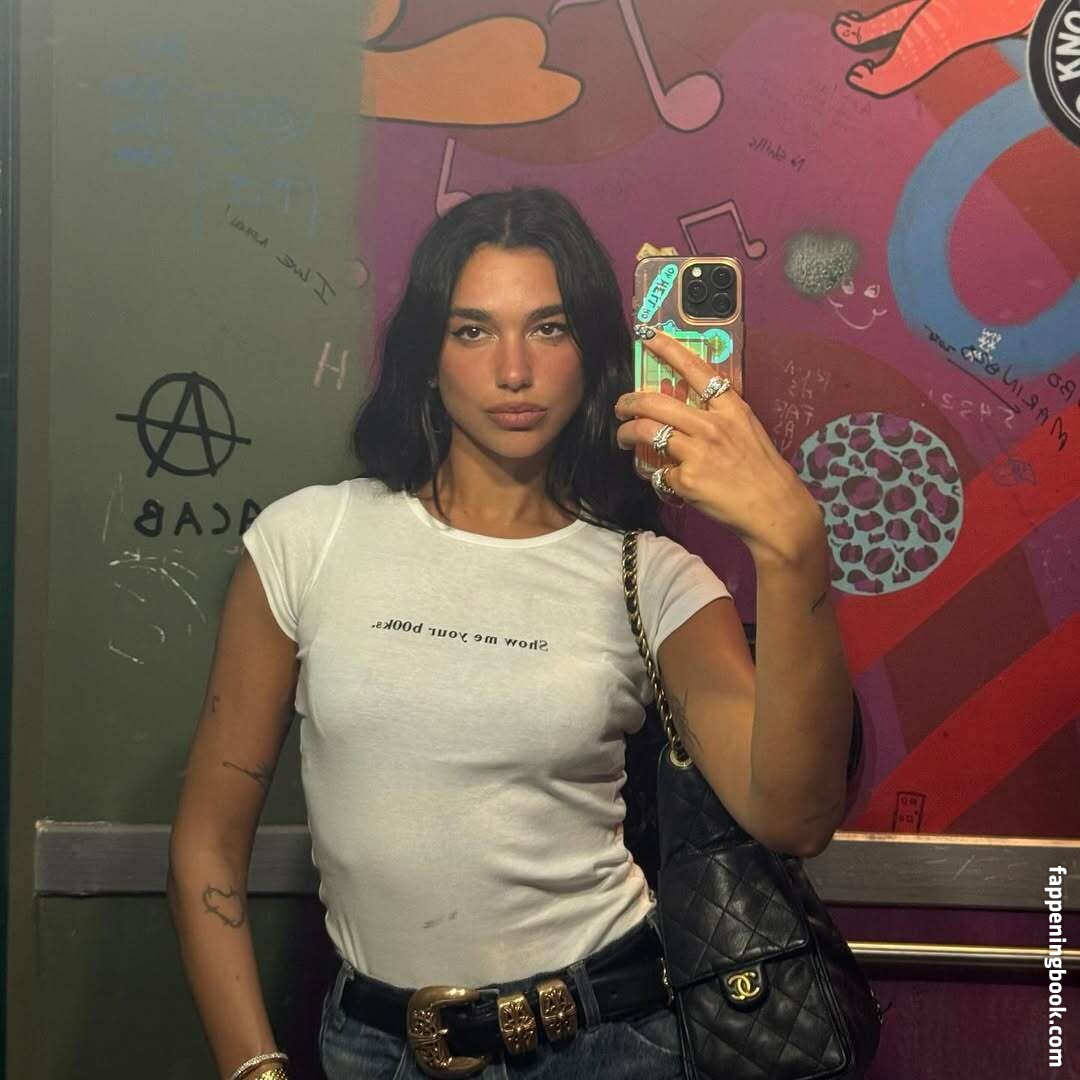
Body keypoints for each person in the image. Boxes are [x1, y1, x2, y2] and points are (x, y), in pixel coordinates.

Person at [167, 187, 854, 1080]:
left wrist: (794, 547)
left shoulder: (651, 576)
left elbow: (794, 816)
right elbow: (207, 843)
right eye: (473, 331)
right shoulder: (308, 540)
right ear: (427, 357)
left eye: (549, 328)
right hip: (373, 1049)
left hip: (606, 1042)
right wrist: (253, 1070)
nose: (515, 371)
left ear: (592, 353)